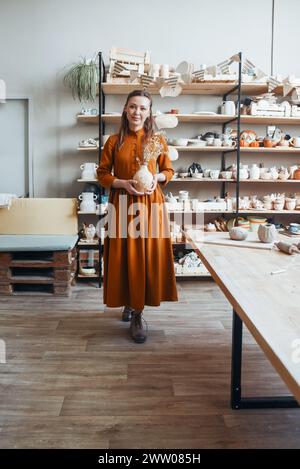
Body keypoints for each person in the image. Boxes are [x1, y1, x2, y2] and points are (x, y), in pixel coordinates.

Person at [97, 89, 178, 343]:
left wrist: (157, 177)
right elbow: (102, 174)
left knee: (145, 257)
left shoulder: (157, 141)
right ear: (125, 109)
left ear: (149, 112)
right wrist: (121, 182)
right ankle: (129, 303)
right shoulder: (113, 141)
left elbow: (169, 170)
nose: (137, 112)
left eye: (143, 108)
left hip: (151, 205)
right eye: (133, 106)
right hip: (122, 204)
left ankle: (138, 313)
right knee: (124, 256)